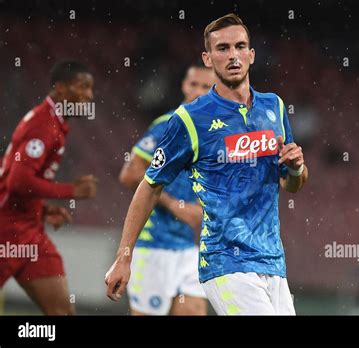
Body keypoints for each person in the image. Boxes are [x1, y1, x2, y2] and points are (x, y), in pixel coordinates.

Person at [106, 13, 308, 315]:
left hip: (273, 263)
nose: (233, 55)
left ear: (252, 55)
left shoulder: (274, 107)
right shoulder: (189, 119)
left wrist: (295, 167)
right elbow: (149, 185)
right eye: (223, 48)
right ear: (208, 57)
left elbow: (292, 184)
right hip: (225, 261)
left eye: (240, 46)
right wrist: (124, 257)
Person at [0, 60, 98, 315]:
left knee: (63, 313)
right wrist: (72, 191)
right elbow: (17, 182)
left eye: (91, 88)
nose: (89, 95)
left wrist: (41, 210)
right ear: (61, 88)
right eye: (83, 87)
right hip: (5, 230)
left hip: (30, 229)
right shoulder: (43, 124)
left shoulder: (54, 121)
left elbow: (17, 178)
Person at [118, 65, 215, 315]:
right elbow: (130, 174)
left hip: (186, 247)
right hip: (154, 244)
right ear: (184, 86)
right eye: (194, 85)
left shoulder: (215, 132)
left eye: (206, 87)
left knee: (194, 311)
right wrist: (174, 205)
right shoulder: (167, 125)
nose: (198, 92)